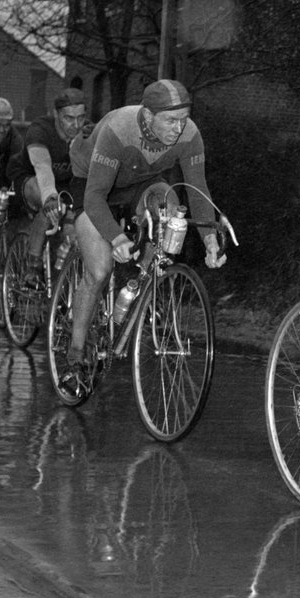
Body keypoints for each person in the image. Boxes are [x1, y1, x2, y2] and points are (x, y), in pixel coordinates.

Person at [61, 79, 226, 397]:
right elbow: (96, 197)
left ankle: (142, 278)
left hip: (142, 180)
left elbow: (198, 190)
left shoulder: (189, 134)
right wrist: (117, 237)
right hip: (93, 185)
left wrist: (209, 238)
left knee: (173, 205)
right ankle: (75, 357)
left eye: (184, 118)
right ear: (148, 115)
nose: (179, 128)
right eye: (170, 120)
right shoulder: (119, 129)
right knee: (98, 270)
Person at [7, 87, 88, 275]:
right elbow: (42, 167)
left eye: (81, 117)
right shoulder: (40, 130)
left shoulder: (86, 134)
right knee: (50, 204)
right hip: (29, 177)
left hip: (66, 185)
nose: (76, 125)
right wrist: (50, 198)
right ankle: (32, 264)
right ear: (56, 114)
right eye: (68, 118)